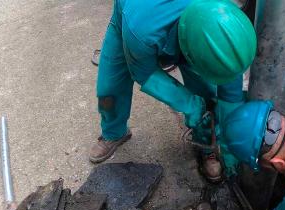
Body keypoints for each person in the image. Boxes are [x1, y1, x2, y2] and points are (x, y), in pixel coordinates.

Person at [90, 0, 256, 182]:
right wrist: (190, 105)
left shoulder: (221, 20)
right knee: (110, 88)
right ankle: (114, 132)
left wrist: (230, 144)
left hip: (191, 27)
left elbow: (230, 92)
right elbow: (144, 74)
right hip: (135, 16)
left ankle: (207, 145)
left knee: (208, 94)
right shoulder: (140, 32)